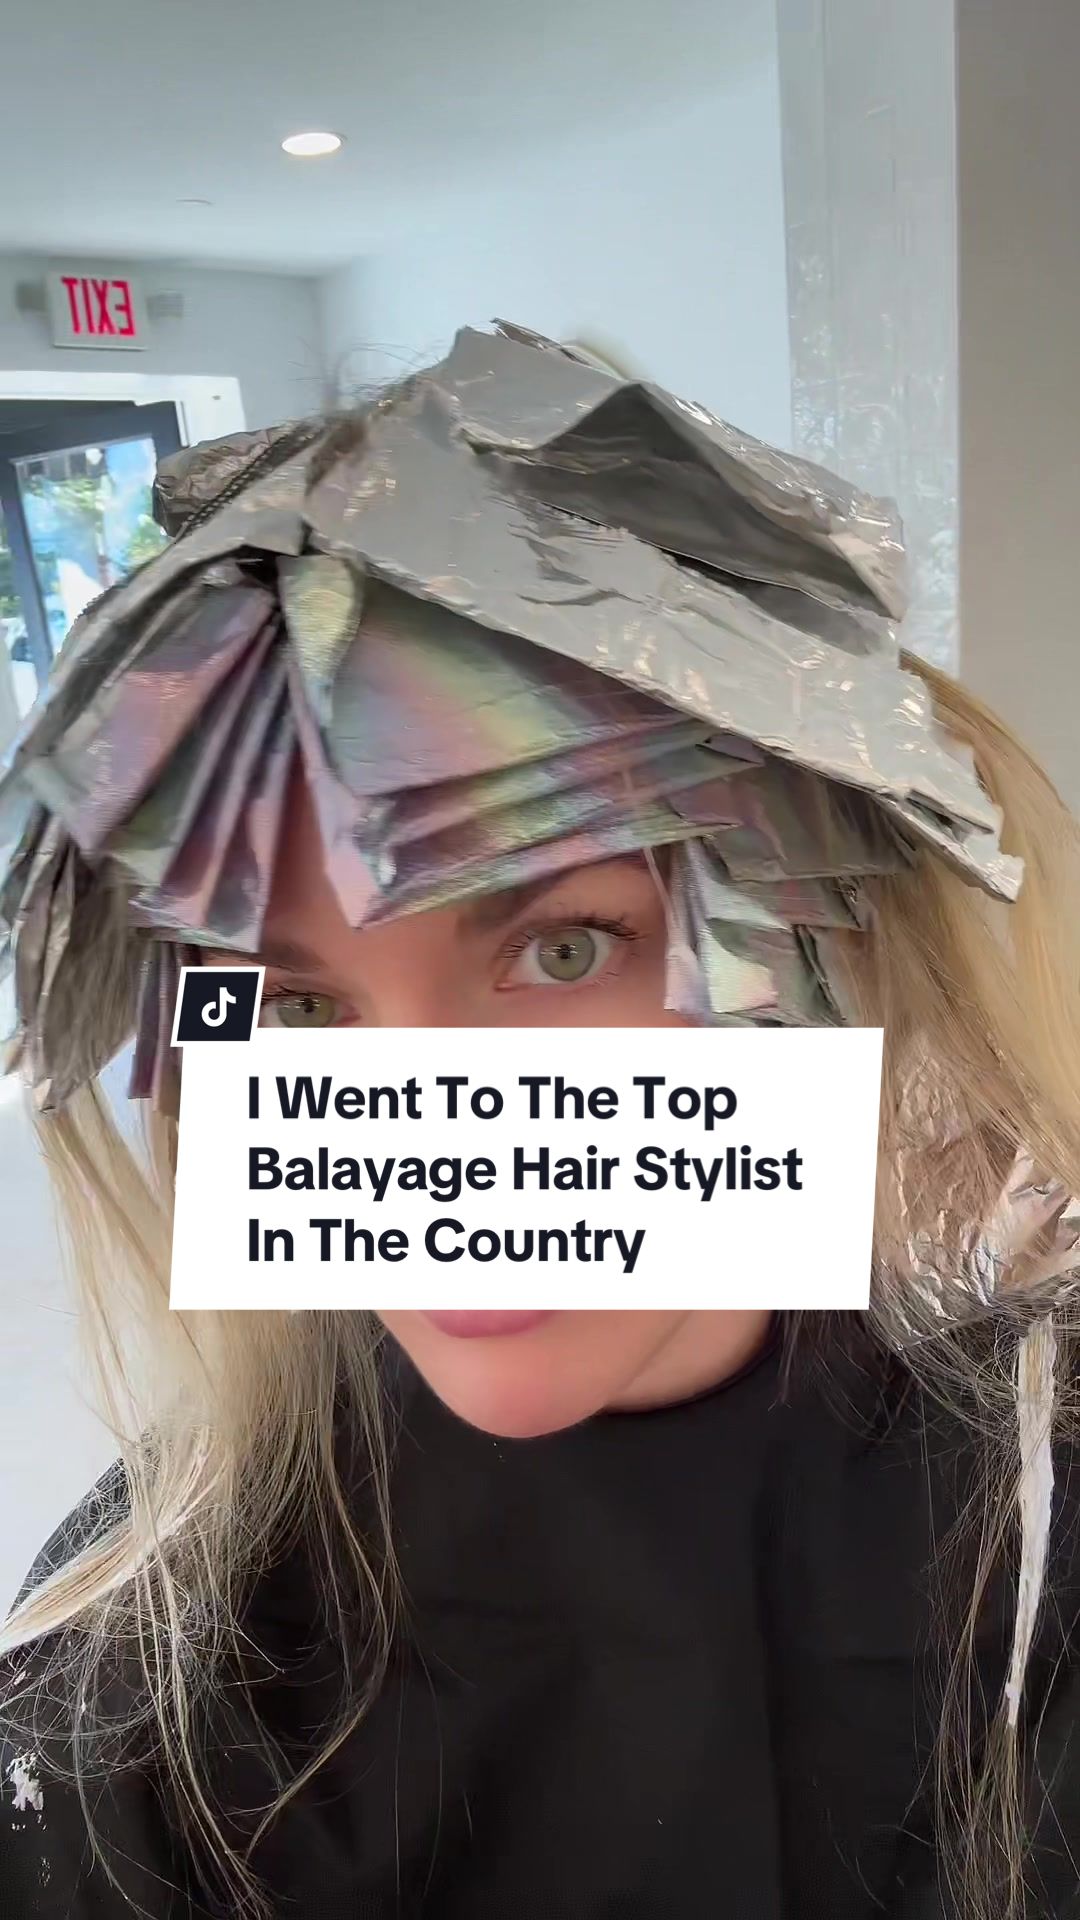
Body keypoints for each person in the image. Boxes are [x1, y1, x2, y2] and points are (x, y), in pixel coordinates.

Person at [1, 323, 1079, 1920]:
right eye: (301, 1009)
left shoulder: (1036, 1528)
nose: (419, 1132)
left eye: (566, 949)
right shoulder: (140, 1667)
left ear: (826, 936)